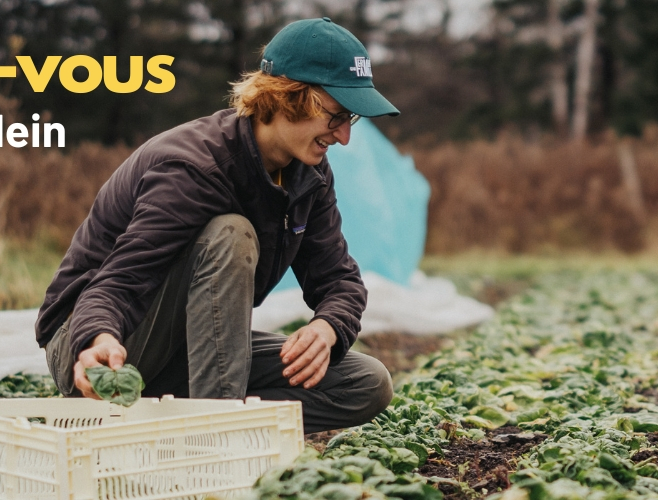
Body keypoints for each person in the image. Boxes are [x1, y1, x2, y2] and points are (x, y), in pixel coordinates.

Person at [35, 18, 396, 434]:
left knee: (365, 383)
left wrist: (328, 326)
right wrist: (96, 340)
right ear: (286, 97)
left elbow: (339, 280)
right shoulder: (195, 166)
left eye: (350, 119)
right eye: (335, 117)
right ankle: (215, 439)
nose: (344, 137)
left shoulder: (307, 175)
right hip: (99, 344)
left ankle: (184, 420)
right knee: (231, 233)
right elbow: (119, 281)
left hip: (192, 353)